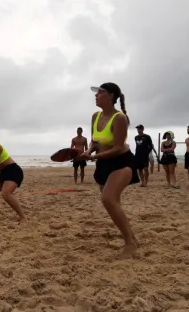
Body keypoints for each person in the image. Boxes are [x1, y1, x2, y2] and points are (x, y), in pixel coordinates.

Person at [77, 82, 139, 259]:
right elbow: (95, 141)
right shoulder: (95, 116)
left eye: (100, 93)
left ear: (111, 96)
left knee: (108, 199)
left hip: (121, 162)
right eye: (96, 93)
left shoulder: (119, 118)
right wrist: (88, 151)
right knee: (113, 204)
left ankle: (130, 243)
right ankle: (132, 238)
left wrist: (93, 157)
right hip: (103, 164)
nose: (96, 96)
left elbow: (119, 148)